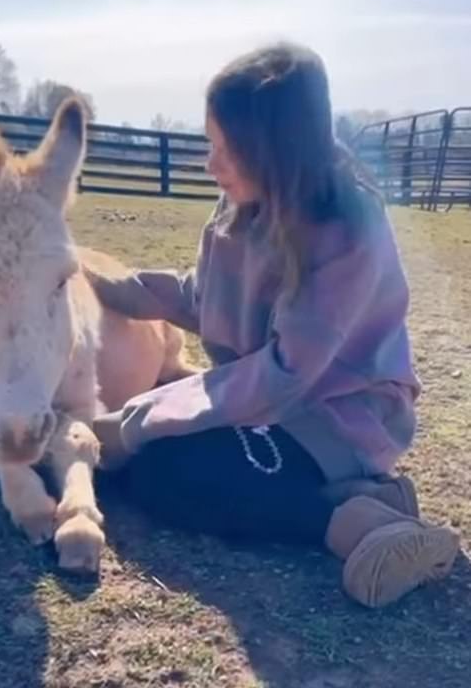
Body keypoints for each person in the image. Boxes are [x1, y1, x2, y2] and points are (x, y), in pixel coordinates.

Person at [88, 41, 459, 608]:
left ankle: (349, 523)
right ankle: (370, 498)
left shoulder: (344, 233)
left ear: (273, 149)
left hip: (335, 415)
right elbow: (210, 300)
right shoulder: (243, 207)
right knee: (156, 459)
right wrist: (117, 287)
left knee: (166, 470)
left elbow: (285, 373)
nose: (211, 164)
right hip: (269, 404)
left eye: (225, 148)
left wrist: (136, 422)